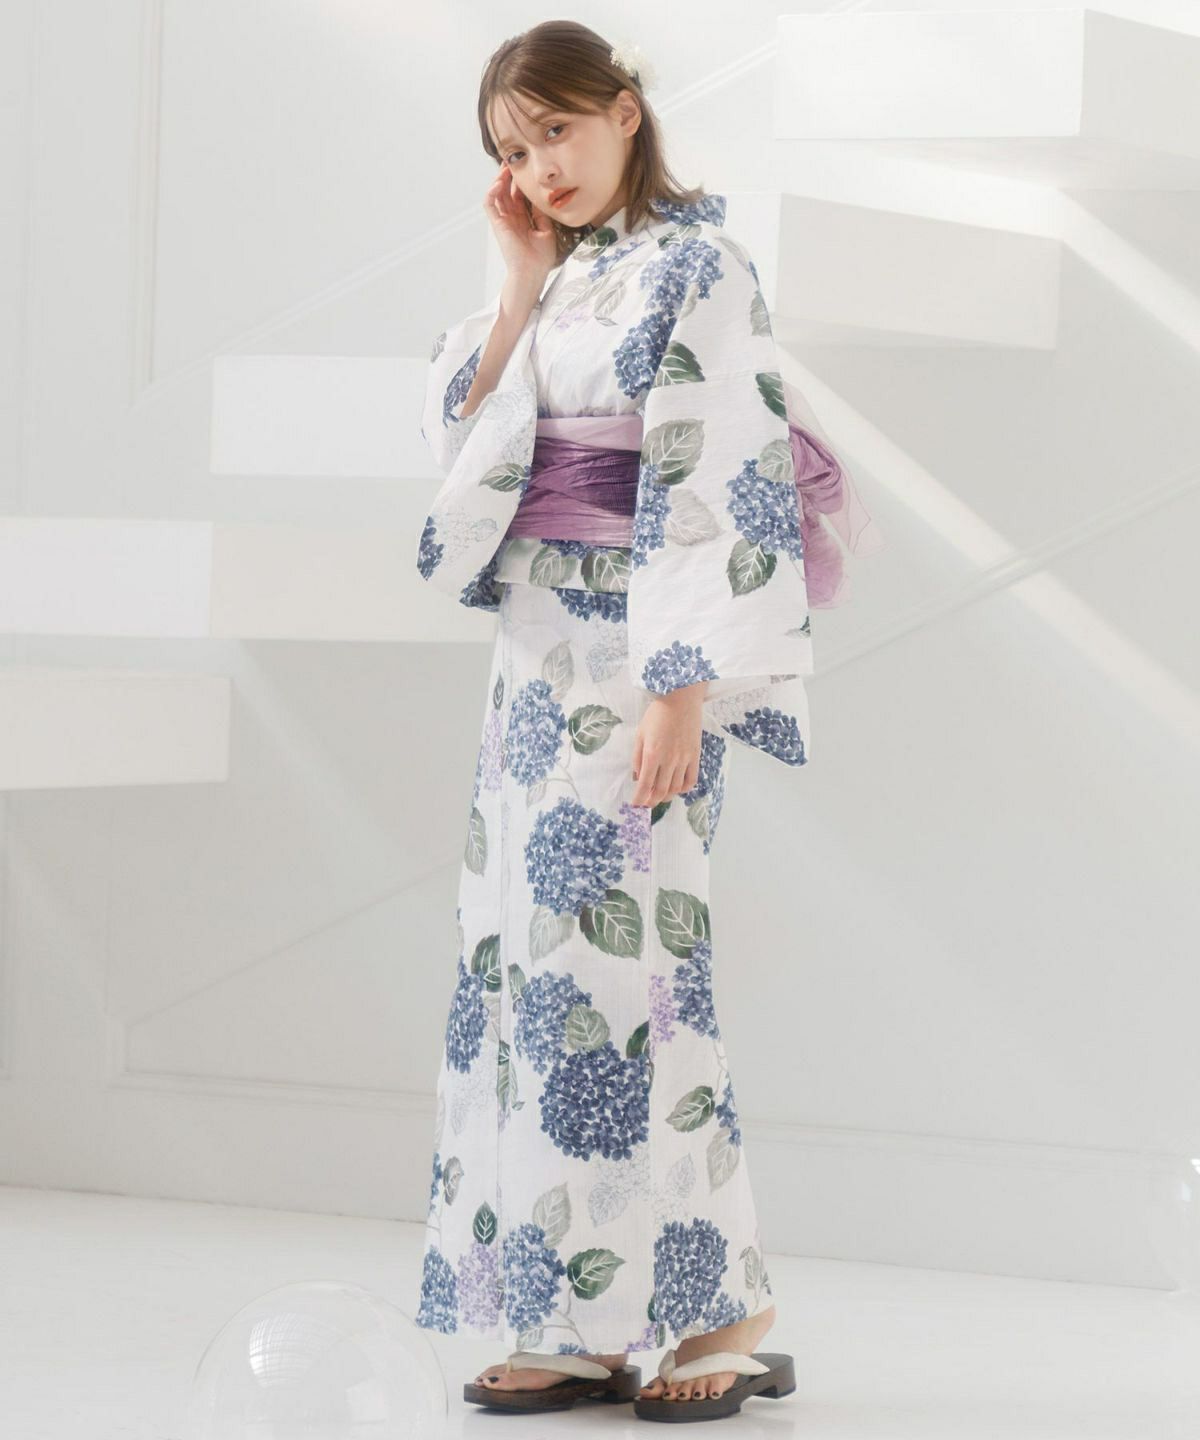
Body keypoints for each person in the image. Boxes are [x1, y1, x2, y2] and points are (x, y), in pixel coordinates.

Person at [412, 20, 878, 1423]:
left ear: (624, 111)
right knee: (529, 973)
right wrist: (516, 285)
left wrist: (684, 688)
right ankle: (577, 1316)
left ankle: (724, 1309)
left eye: (555, 129)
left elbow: (714, 468)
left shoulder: (699, 267)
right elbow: (471, 449)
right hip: (535, 658)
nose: (537, 168)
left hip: (639, 655)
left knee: (638, 976)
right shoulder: (563, 278)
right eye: (511, 149)